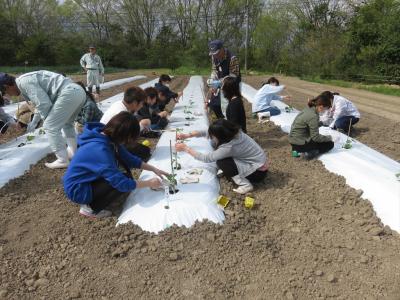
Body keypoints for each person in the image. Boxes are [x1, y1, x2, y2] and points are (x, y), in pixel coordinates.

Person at [63, 112, 168, 218]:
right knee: (122, 181)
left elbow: (129, 159)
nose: (128, 143)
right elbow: (121, 183)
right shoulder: (99, 150)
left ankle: (96, 195)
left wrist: (154, 169)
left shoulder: (107, 136)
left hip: (84, 180)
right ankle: (90, 208)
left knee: (126, 177)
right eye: (129, 139)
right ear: (123, 135)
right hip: (78, 189)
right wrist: (149, 183)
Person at [0, 71, 86, 168]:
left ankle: (62, 160)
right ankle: (73, 151)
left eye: (6, 92)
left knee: (50, 126)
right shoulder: (24, 82)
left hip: (69, 93)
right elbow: (40, 105)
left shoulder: (24, 83)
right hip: (78, 92)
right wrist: (34, 121)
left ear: (7, 86)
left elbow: (44, 104)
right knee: (67, 124)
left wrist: (46, 122)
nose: (9, 96)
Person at [175, 119, 268, 194]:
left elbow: (206, 158)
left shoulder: (229, 147)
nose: (211, 137)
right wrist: (187, 135)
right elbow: (207, 131)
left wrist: (186, 148)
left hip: (258, 173)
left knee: (222, 162)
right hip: (259, 164)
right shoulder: (233, 132)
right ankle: (237, 171)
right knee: (219, 153)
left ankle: (245, 185)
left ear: (220, 136)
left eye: (213, 136)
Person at [100, 86, 151, 161]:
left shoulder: (119, 104)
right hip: (107, 144)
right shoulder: (121, 112)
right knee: (144, 151)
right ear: (135, 103)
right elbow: (126, 135)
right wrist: (142, 125)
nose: (142, 106)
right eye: (141, 103)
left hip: (108, 139)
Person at [288, 94, 334, 159]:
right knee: (330, 144)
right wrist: (330, 137)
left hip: (293, 139)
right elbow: (316, 137)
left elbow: (308, 125)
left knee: (322, 139)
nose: (326, 111)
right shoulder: (313, 116)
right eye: (326, 109)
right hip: (300, 142)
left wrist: (321, 123)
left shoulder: (309, 108)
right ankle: (308, 153)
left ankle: (296, 151)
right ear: (321, 106)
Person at [208, 39, 241, 116]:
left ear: (222, 49)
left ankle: (229, 122)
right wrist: (212, 80)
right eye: (213, 54)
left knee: (229, 107)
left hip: (231, 85)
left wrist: (221, 81)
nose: (215, 55)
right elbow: (214, 70)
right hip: (220, 83)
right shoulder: (214, 57)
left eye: (217, 53)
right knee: (215, 105)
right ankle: (221, 120)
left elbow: (234, 76)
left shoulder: (232, 58)